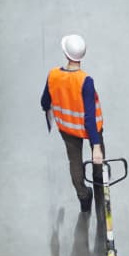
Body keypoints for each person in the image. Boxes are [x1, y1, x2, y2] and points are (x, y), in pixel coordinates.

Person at [41, 34, 104, 213]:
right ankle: (99, 182)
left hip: (68, 129)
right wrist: (96, 146)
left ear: (66, 54)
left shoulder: (53, 75)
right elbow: (90, 118)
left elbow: (44, 102)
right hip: (91, 129)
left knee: (74, 162)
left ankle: (84, 197)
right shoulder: (86, 81)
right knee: (97, 158)